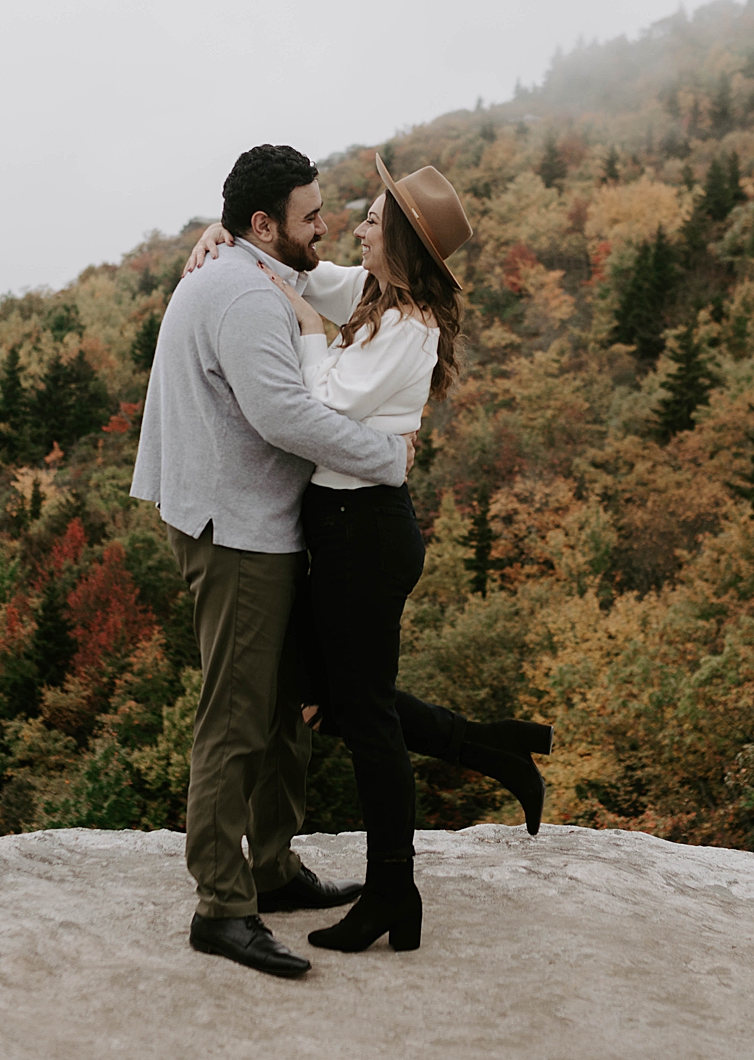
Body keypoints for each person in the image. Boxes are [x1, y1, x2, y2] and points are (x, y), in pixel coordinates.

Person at [185, 155, 553, 955]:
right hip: (335, 524)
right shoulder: (369, 293)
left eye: (372, 222)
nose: (353, 227)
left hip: (365, 529)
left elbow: (314, 403)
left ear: (404, 247)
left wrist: (311, 335)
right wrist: (229, 231)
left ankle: (394, 888)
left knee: (363, 715)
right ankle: (491, 747)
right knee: (334, 694)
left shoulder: (409, 324)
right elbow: (301, 273)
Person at [131, 143, 417, 980]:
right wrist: (388, 457)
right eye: (309, 216)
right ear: (263, 226)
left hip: (250, 519)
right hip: (238, 531)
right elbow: (284, 415)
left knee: (284, 706)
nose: (324, 225)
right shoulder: (247, 293)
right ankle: (222, 905)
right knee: (236, 718)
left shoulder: (243, 272)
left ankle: (274, 868)